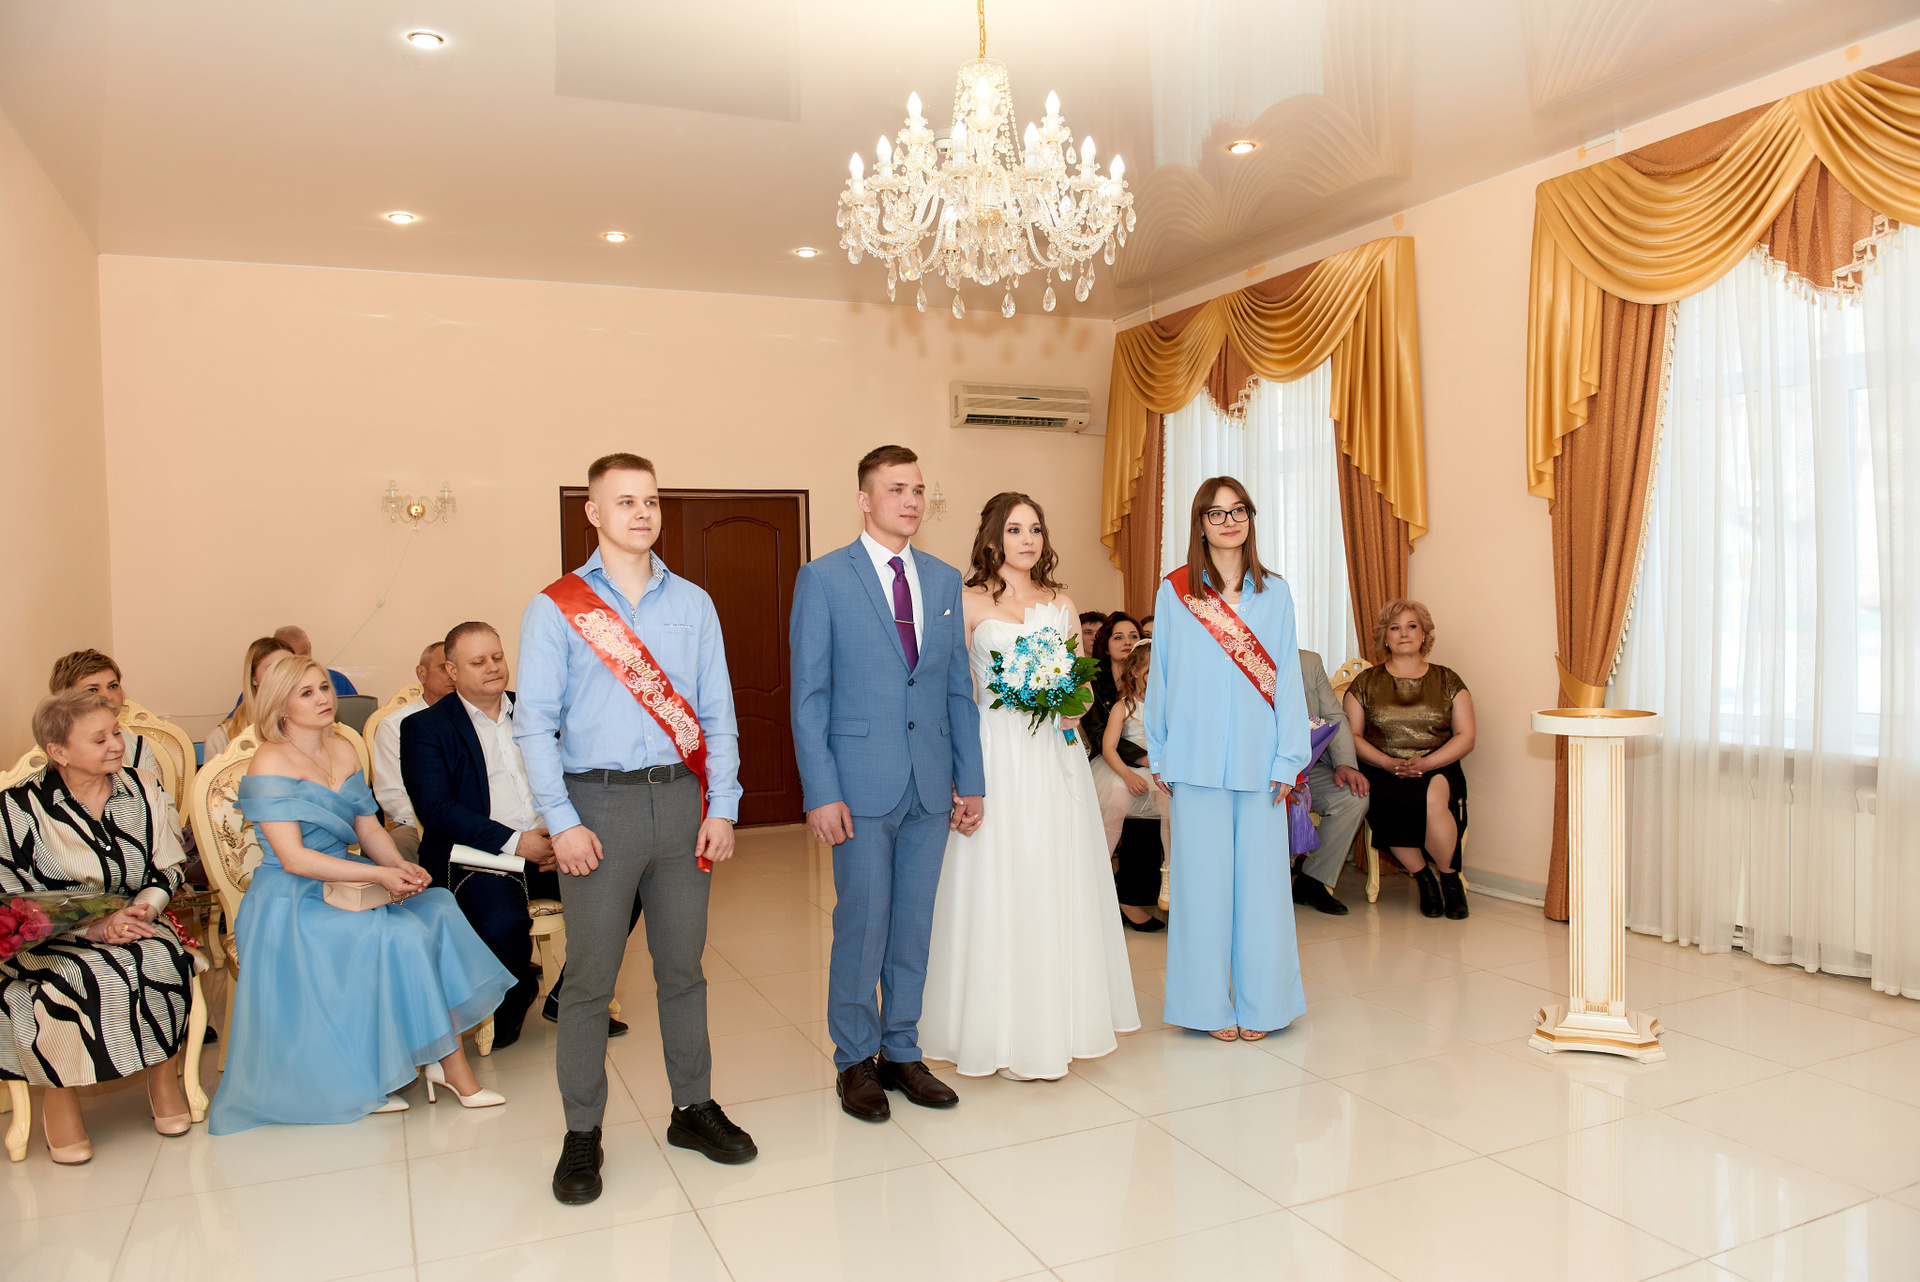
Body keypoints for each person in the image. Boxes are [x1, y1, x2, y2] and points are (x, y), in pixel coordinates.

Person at [517, 451, 756, 1204]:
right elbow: (534, 726)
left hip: (681, 804)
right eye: (625, 501)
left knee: (683, 969)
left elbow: (717, 713)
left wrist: (722, 805)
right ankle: (581, 1133)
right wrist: (562, 822)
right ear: (594, 513)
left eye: (650, 500)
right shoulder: (556, 607)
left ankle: (693, 1108)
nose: (642, 513)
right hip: (597, 808)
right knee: (590, 980)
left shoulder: (694, 602)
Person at [208, 653, 513, 1134]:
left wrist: (398, 866)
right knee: (398, 936)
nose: (323, 698)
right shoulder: (270, 759)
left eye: (324, 688)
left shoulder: (345, 750)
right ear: (280, 705)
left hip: (348, 879)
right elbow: (295, 858)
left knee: (438, 908)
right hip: (291, 898)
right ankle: (437, 1068)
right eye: (306, 692)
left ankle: (440, 1061)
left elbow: (368, 829)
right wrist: (379, 877)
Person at [790, 444, 983, 1121]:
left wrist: (971, 779)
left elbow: (956, 688)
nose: (911, 500)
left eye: (918, 489)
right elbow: (809, 696)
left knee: (913, 927)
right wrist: (821, 791)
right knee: (863, 924)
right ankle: (854, 1059)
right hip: (858, 785)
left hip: (930, 784)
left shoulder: (942, 579)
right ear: (865, 499)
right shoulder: (823, 578)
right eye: (896, 488)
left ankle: (902, 1050)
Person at [921, 492, 1139, 1081]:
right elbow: (954, 692)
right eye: (1015, 529)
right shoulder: (965, 601)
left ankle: (1054, 1026)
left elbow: (1082, 685)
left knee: (1051, 872)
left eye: (1035, 529)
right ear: (992, 538)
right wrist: (957, 770)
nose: (1027, 539)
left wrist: (1074, 704)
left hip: (1052, 757)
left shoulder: (1060, 604)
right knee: (998, 875)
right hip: (994, 751)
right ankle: (991, 1028)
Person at [402, 621, 636, 1050]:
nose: (493, 667)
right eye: (478, 662)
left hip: (551, 847)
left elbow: (578, 777)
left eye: (497, 657)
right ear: (452, 671)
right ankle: (516, 991)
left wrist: (564, 834)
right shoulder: (426, 728)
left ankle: (571, 996)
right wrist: (517, 842)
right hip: (478, 858)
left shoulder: (536, 711)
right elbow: (437, 809)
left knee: (625, 888)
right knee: (503, 922)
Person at [0, 691, 206, 1163]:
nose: (117, 744)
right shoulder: (16, 809)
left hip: (138, 917)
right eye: (100, 739)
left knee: (159, 957)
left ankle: (163, 1079)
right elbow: (13, 901)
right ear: (59, 752)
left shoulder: (142, 787)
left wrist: (145, 911)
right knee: (77, 976)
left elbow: (169, 866)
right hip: (51, 937)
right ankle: (60, 1097)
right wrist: (90, 930)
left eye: (116, 732)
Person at [1145, 476, 1311, 1043]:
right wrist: (1160, 750)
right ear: (1200, 524)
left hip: (1261, 762)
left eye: (1239, 510)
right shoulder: (1176, 591)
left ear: (1250, 518)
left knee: (1264, 893)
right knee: (1201, 892)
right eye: (1216, 513)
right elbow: (1163, 675)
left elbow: (1288, 682)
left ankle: (1265, 1005)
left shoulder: (1276, 593)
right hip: (1193, 762)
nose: (1229, 521)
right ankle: (1205, 1007)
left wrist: (1288, 760)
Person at [1343, 600, 1476, 920]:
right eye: (1395, 627)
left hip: (1438, 764)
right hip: (1381, 767)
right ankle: (1424, 878)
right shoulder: (1364, 683)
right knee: (1385, 801)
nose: (1404, 633)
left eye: (1412, 626)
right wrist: (1387, 763)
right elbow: (1352, 737)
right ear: (1385, 637)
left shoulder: (1448, 679)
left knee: (1432, 800)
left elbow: (1466, 736)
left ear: (1424, 634)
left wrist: (1428, 763)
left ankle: (1450, 881)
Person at [1091, 641, 1170, 930]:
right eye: (1150, 671)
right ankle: (1097, 872)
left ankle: (1169, 872)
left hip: (1159, 770)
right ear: (1135, 672)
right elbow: (1109, 748)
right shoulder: (1123, 706)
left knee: (1168, 803)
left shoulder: (1168, 706)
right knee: (1117, 801)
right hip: (1128, 770)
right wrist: (1127, 775)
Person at [1293, 650, 1370, 916]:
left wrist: (1345, 764)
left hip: (1308, 767)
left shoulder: (1309, 661)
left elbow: (1334, 716)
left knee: (1352, 797)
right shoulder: (1235, 659)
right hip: (1255, 772)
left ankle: (1312, 881)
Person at [372, 640, 456, 862]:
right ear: (422, 673)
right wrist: (446, 823)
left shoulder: (477, 719)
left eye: (456, 668)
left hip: (479, 822)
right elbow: (392, 796)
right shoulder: (395, 725)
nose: (452, 675)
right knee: (397, 844)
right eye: (444, 667)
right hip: (420, 824)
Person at [48, 650, 158, 776]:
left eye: (113, 686)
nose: (108, 696)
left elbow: (151, 788)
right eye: (93, 690)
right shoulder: (53, 751)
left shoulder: (138, 745)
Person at [205, 635, 293, 758]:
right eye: (273, 669)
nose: (283, 677)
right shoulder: (220, 739)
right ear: (254, 678)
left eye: (290, 669)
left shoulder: (313, 728)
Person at [1079, 613, 1141, 761]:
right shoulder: (1091, 683)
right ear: (1106, 647)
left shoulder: (1155, 681)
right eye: (1118, 637)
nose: (1128, 642)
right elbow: (1097, 734)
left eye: (1133, 636)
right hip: (1110, 758)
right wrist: (1143, 758)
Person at [273, 624, 359, 695]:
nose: (299, 661)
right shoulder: (272, 688)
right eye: (293, 657)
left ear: (310, 648)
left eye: (303, 654)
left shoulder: (338, 681)